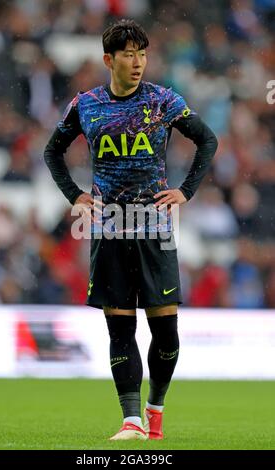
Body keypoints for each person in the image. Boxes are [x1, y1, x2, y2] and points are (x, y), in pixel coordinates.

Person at [44, 19, 218, 441]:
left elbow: (207, 140)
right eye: (128, 54)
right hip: (107, 229)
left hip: (155, 229)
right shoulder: (85, 104)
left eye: (142, 54)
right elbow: (53, 151)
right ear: (110, 59)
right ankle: (131, 420)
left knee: (166, 333)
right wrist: (75, 195)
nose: (137, 62)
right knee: (120, 328)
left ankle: (155, 408)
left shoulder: (163, 101)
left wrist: (185, 192)